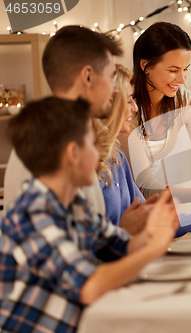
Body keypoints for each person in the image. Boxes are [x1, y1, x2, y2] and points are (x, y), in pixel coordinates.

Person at [0, 97, 178, 333]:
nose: (100, 152)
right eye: (93, 144)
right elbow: (90, 286)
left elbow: (122, 246)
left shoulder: (75, 205)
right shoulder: (31, 213)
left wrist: (155, 227)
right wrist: (154, 246)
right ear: (73, 154)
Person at [3, 25, 152, 227]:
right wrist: (126, 232)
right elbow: (70, 254)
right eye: (110, 77)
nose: (115, 88)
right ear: (88, 77)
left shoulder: (73, 138)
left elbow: (91, 239)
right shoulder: (52, 148)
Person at [95, 65, 191, 234]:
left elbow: (147, 218)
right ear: (106, 103)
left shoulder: (117, 157)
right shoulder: (85, 164)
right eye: (128, 100)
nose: (135, 108)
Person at [122, 22, 191, 210]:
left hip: (152, 206)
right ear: (145, 66)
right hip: (122, 204)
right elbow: (144, 186)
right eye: (173, 70)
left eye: (185, 68)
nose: (182, 79)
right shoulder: (127, 108)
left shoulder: (187, 101)